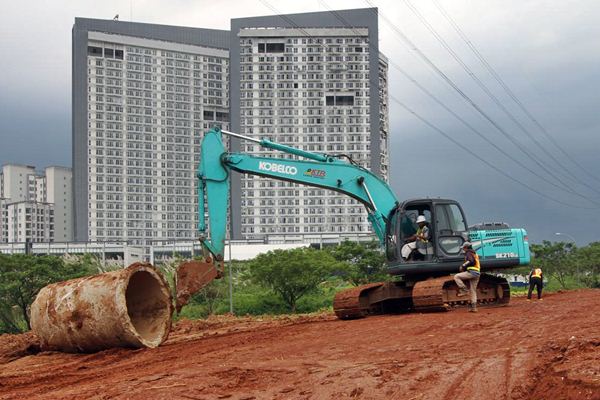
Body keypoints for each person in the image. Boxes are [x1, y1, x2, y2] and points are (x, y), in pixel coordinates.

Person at [454, 241, 480, 312]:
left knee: (456, 277)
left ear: (466, 247)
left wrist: (463, 266)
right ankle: (474, 308)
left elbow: (471, 261)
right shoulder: (474, 253)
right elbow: (473, 263)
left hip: (472, 272)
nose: (463, 249)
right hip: (477, 273)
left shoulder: (468, 253)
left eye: (464, 248)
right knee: (473, 291)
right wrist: (465, 268)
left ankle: (464, 290)